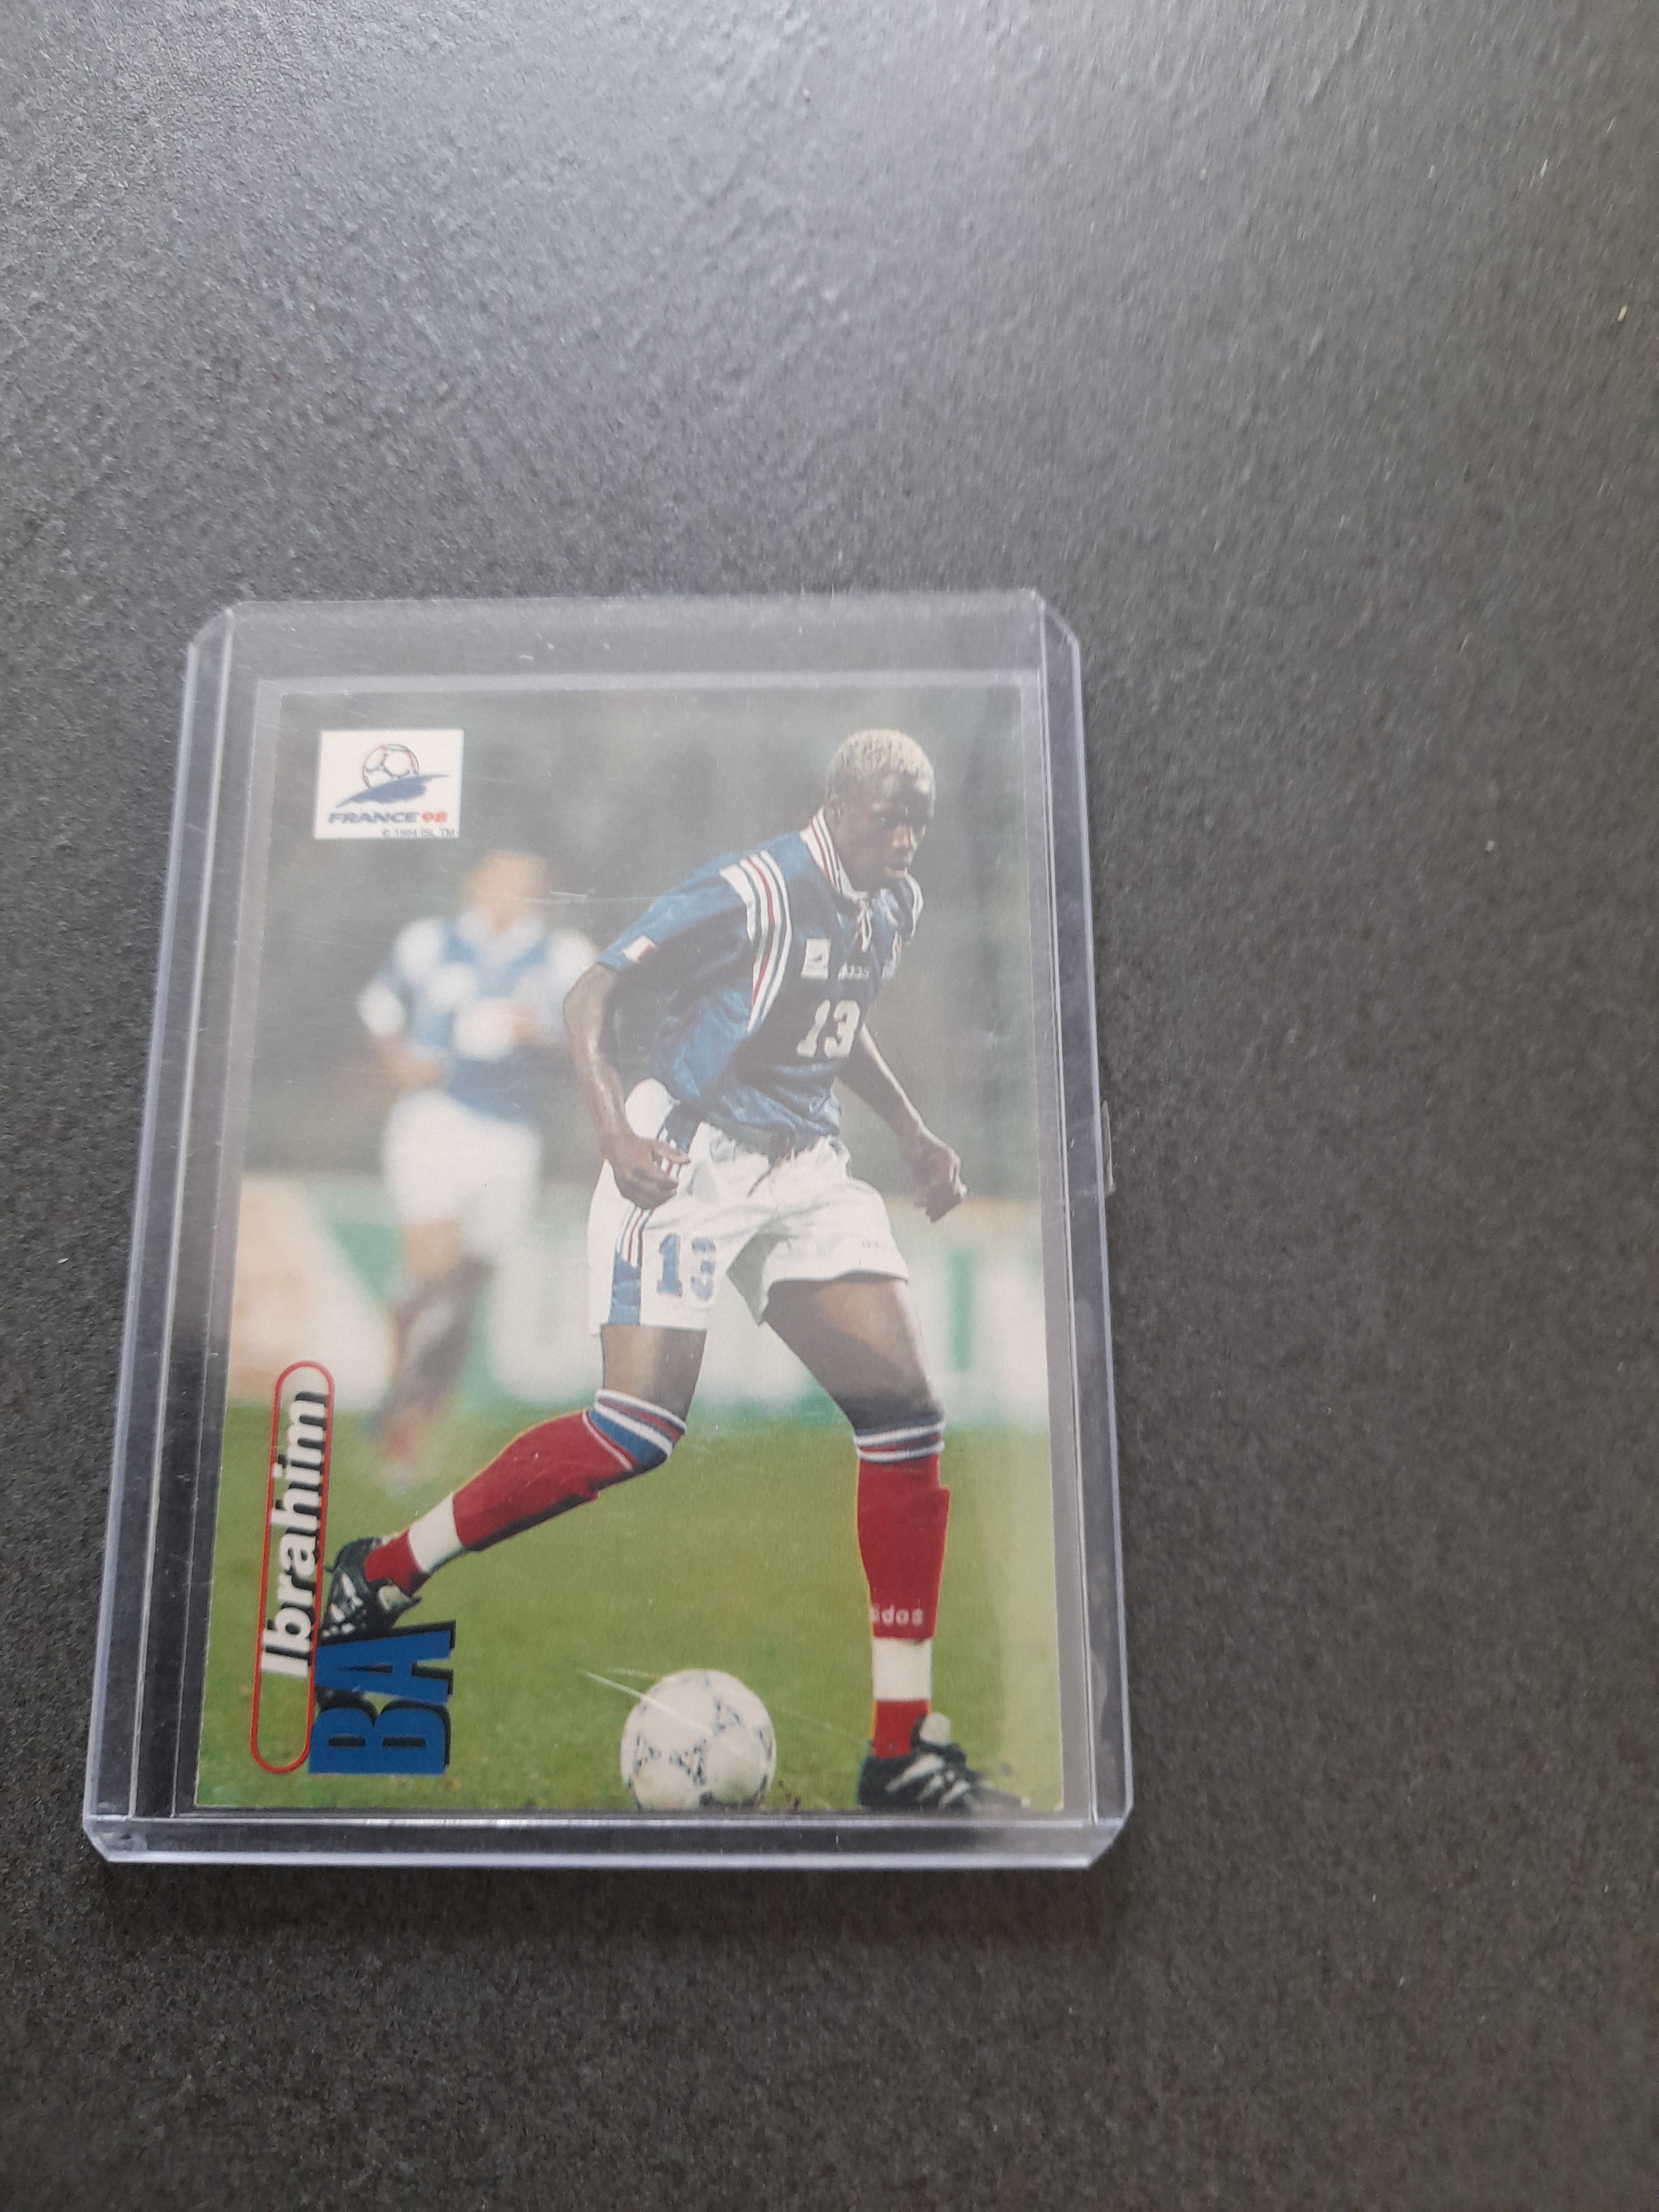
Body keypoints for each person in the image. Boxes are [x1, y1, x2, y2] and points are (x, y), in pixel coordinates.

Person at [325, 732, 1017, 1813]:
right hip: (689, 1156)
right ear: (837, 805)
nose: (905, 838)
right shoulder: (750, 890)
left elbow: (834, 1023)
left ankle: (900, 1750)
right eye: (889, 817)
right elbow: (589, 994)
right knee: (638, 1429)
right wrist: (614, 1132)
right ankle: (381, 1572)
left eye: (918, 822)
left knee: (904, 1418)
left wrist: (914, 1129)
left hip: (805, 1166)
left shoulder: (895, 900)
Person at [356, 849, 594, 1488]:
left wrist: (536, 1033)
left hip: (510, 1134)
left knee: (463, 1290)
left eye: (525, 884)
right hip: (437, 1117)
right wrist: (401, 1062)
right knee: (434, 1271)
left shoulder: (561, 956)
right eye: (500, 880)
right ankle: (401, 1417)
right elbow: (379, 1005)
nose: (510, 893)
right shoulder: (430, 942)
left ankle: (409, 1420)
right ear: (475, 884)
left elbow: (585, 1035)